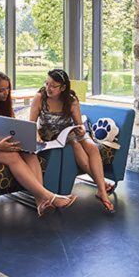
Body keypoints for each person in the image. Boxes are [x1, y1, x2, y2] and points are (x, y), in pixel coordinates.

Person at [0, 71, 76, 217]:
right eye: (1, 90)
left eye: (7, 89)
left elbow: (9, 125)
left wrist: (24, 139)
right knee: (13, 157)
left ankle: (40, 202)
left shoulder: (3, 102)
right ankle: (50, 197)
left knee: (30, 153)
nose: (6, 93)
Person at [30, 69, 117, 214]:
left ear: (63, 87)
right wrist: (36, 136)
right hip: (49, 134)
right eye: (47, 83)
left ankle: (101, 191)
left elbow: (79, 124)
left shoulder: (71, 99)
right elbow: (32, 123)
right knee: (76, 146)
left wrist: (82, 130)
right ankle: (102, 187)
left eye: (53, 85)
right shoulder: (40, 97)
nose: (48, 88)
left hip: (69, 131)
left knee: (92, 147)